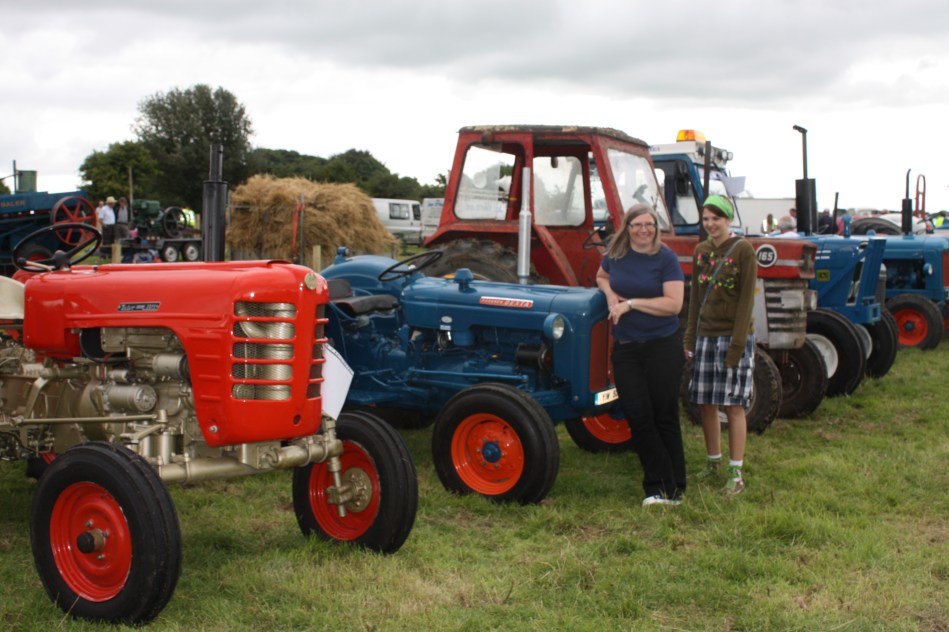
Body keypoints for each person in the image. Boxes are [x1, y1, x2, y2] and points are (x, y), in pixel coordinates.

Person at [596, 203, 686, 507]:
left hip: (662, 346)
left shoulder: (665, 258)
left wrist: (631, 304)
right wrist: (610, 295)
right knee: (637, 414)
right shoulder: (616, 254)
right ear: (628, 228)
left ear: (656, 228)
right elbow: (601, 276)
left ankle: (669, 488)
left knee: (664, 415)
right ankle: (662, 483)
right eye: (637, 225)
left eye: (649, 224)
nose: (643, 230)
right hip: (627, 348)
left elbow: (674, 305)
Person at [683, 195, 757, 496]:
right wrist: (690, 337)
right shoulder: (701, 251)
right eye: (706, 219)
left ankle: (735, 472)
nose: (711, 224)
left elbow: (746, 301)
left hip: (733, 337)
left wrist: (737, 346)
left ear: (728, 219)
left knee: (734, 405)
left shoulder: (743, 250)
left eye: (716, 218)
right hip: (705, 336)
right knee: (706, 403)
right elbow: (695, 299)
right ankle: (712, 461)